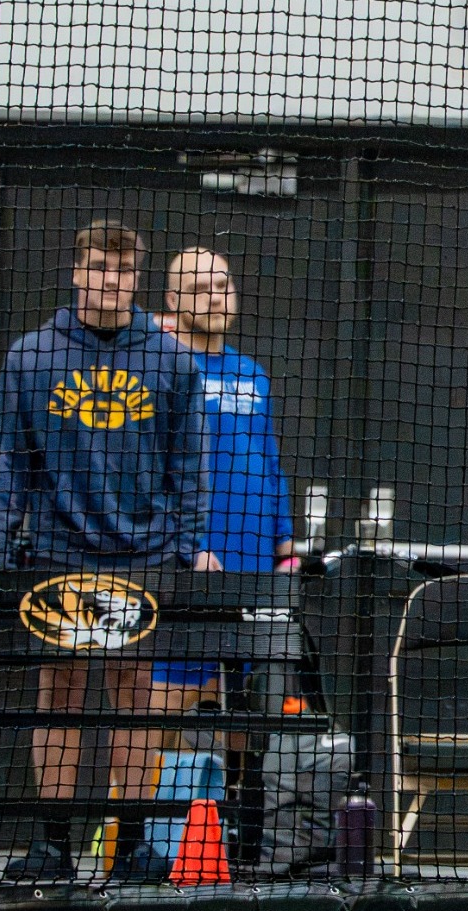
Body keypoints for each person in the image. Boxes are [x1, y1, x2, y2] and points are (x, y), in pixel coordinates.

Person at [0, 219, 213, 883]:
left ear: (137, 277)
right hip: (57, 549)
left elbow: (189, 467)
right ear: (77, 271)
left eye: (124, 270)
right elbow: (8, 462)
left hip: (143, 552)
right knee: (59, 691)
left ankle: (131, 845)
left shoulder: (171, 359)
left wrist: (187, 545)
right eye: (100, 267)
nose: (111, 280)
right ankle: (53, 845)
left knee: (135, 692)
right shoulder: (30, 356)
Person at [152, 247, 297, 714]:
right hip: (189, 565)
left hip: (252, 563)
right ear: (172, 301)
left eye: (222, 286)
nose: (215, 299)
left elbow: (269, 459)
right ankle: (135, 792)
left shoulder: (251, 373)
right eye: (198, 290)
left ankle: (232, 791)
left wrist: (284, 539)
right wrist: (184, 544)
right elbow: (147, 469)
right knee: (159, 706)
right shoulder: (160, 368)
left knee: (246, 708)